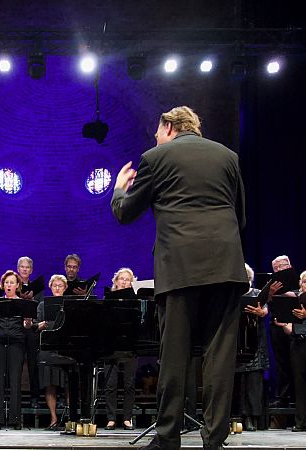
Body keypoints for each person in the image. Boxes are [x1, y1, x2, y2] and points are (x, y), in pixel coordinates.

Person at [111, 106, 247, 450]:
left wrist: (118, 188)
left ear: (169, 126)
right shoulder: (228, 156)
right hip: (226, 266)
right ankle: (214, 438)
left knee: (174, 355)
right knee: (219, 356)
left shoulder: (156, 158)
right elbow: (240, 216)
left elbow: (126, 213)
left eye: (157, 131)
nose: (155, 137)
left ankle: (168, 435)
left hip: (180, 268)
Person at [274, 270, 306, 432]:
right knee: (299, 383)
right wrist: (284, 324)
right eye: (304, 282)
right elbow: (291, 328)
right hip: (297, 342)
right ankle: (300, 422)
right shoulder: (294, 300)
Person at [0, 270, 33, 429]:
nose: (9, 285)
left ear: (18, 285)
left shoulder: (22, 303)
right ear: (2, 285)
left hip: (16, 343)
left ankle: (15, 419)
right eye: (6, 282)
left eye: (12, 282)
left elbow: (26, 326)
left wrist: (27, 320)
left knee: (15, 380)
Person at [233, 263, 269, 432]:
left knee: (254, 383)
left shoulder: (257, 294)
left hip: (254, 342)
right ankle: (236, 416)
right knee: (237, 384)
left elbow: (265, 311)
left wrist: (260, 312)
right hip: (236, 343)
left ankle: (252, 418)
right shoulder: (232, 294)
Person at [104, 268, 137, 430]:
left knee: (129, 384)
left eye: (127, 279)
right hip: (111, 346)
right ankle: (111, 418)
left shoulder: (136, 302)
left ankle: (127, 418)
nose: (124, 282)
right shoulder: (108, 300)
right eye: (121, 279)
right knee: (111, 384)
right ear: (115, 282)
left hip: (129, 345)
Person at [36, 274, 69, 430]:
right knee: (50, 384)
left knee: (70, 383)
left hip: (65, 348)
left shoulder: (69, 304)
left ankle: (70, 419)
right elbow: (36, 326)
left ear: (65, 288)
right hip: (48, 347)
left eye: (60, 286)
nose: (57, 288)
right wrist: (44, 324)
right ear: (50, 287)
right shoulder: (43, 305)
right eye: (54, 285)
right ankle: (53, 419)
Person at [267, 255, 294, 408]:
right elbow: (264, 301)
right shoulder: (271, 283)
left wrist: (283, 293)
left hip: (295, 324)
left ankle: (298, 397)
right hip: (276, 324)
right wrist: (270, 293)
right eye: (275, 268)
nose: (279, 269)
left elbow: (300, 295)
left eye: (281, 266)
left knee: (296, 363)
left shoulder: (298, 279)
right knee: (281, 363)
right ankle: (283, 396)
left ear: (289, 265)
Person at [18, 256, 40, 407]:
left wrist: (31, 301)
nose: (25, 269)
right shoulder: (12, 284)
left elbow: (39, 307)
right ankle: (14, 398)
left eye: (27, 267)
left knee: (33, 364)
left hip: (32, 329)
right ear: (18, 269)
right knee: (15, 364)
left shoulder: (37, 288)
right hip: (16, 329)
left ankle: (34, 398)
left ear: (31, 270)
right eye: (22, 267)